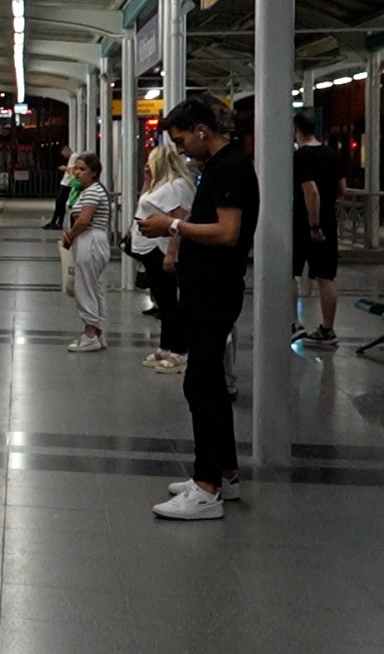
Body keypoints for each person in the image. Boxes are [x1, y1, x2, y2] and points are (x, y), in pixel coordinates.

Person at [138, 97, 259, 521]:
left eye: (183, 138)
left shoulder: (230, 168)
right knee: (204, 384)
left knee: (202, 386)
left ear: (202, 129)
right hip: (207, 291)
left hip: (214, 292)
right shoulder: (218, 166)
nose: (182, 147)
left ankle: (206, 488)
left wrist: (170, 226)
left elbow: (228, 233)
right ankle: (224, 474)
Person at [131, 143, 196, 372]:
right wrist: (147, 180)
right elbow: (143, 205)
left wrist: (170, 254)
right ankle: (166, 346)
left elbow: (178, 221)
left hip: (161, 248)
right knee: (162, 300)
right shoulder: (160, 185)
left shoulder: (177, 187)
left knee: (170, 303)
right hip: (149, 249)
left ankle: (179, 350)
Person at [291, 112, 345, 347]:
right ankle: (327, 329)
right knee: (326, 276)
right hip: (329, 224)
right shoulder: (332, 154)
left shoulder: (301, 156)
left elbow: (310, 191)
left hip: (306, 224)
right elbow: (342, 188)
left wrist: (314, 225)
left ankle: (294, 323)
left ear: (296, 130)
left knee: (289, 272)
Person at [61, 153, 110, 351]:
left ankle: (90, 333)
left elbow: (83, 220)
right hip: (92, 239)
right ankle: (97, 331)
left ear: (94, 172)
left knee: (85, 287)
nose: (77, 173)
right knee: (93, 287)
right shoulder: (90, 190)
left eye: (82, 169)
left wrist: (69, 236)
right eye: (76, 168)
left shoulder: (91, 192)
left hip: (90, 240)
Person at [43, 145, 75, 229]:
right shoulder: (72, 157)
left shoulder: (74, 157)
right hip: (66, 183)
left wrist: (65, 168)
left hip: (67, 183)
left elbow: (72, 170)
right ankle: (57, 222)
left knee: (59, 202)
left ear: (66, 150)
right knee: (60, 203)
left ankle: (56, 222)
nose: (64, 156)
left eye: (63, 154)